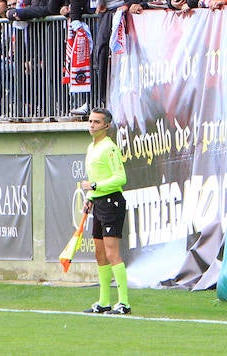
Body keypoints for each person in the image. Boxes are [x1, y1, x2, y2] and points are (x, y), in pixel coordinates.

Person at [81, 107, 131, 315]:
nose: (92, 125)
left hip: (112, 203)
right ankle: (104, 301)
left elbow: (120, 178)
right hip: (100, 202)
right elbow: (96, 182)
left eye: (96, 122)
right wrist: (90, 198)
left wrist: (94, 187)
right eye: (90, 121)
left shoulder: (109, 148)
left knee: (112, 253)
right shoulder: (91, 147)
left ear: (106, 126)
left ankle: (124, 303)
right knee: (99, 254)